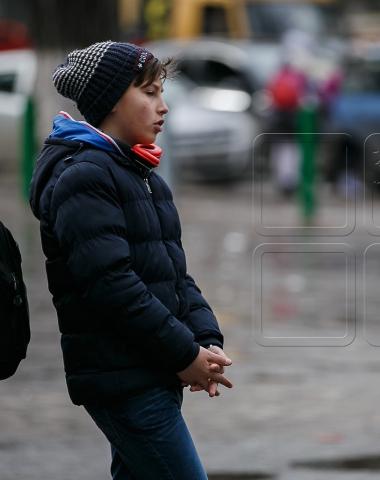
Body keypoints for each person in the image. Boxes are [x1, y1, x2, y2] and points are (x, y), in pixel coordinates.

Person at [28, 41, 232, 479]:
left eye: (161, 92)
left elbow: (174, 275)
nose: (164, 107)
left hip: (151, 369)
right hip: (122, 379)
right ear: (112, 101)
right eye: (150, 93)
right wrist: (184, 355)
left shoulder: (142, 178)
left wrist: (205, 340)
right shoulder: (85, 175)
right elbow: (112, 285)